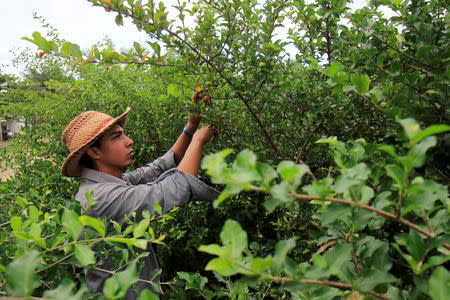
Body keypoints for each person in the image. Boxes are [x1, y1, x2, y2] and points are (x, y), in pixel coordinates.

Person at [60, 105, 219, 299]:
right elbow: (174, 187)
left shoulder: (111, 182)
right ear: (94, 152)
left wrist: (191, 126)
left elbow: (159, 168)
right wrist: (199, 139)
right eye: (117, 137)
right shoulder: (100, 198)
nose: (129, 141)